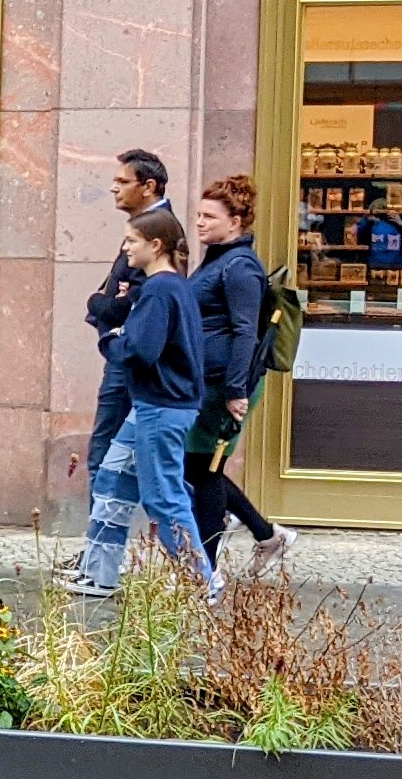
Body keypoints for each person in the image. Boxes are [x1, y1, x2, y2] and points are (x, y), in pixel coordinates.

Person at [67, 207, 215, 599]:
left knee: (162, 496)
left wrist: (111, 338)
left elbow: (140, 351)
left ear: (156, 245)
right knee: (113, 479)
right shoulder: (170, 287)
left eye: (132, 241)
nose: (126, 248)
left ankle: (200, 580)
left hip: (161, 406)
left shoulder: (159, 290)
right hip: (155, 404)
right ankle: (99, 573)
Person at [181, 176, 289, 571]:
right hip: (209, 382)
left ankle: (205, 572)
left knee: (204, 472)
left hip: (223, 385)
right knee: (198, 468)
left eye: (210, 216)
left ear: (236, 222)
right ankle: (267, 535)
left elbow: (246, 332)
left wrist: (235, 389)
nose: (200, 222)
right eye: (199, 215)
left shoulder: (240, 267)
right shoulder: (218, 260)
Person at [80, 150, 173, 478]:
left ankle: (102, 511)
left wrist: (96, 301)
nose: (114, 188)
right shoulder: (147, 225)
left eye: (122, 181)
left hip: (131, 354)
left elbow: (129, 303)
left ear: (148, 186)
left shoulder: (160, 229)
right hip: (126, 351)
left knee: (105, 453)